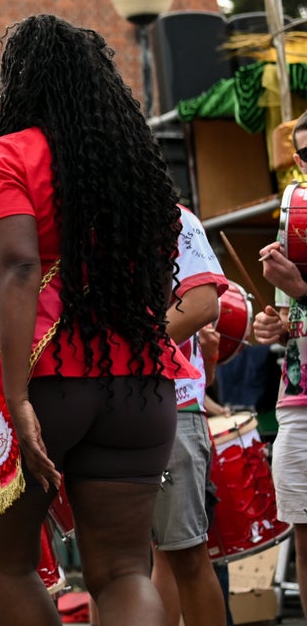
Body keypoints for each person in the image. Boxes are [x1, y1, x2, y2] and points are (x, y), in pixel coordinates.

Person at [0, 14, 197, 625]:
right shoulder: (134, 167)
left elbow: (18, 267)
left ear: (22, 82)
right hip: (140, 383)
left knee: (9, 567)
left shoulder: (8, 154)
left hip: (44, 378)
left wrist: (16, 396)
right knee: (124, 572)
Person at [149, 206, 227, 626]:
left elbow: (202, 305)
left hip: (171, 405)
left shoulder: (175, 217)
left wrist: (127, 351)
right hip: (109, 407)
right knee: (119, 564)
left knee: (183, 554)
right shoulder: (85, 213)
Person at [250, 108, 307, 608]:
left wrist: (301, 290)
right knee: (305, 541)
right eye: (306, 154)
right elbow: (288, 325)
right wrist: (271, 325)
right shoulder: (297, 231)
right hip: (298, 404)